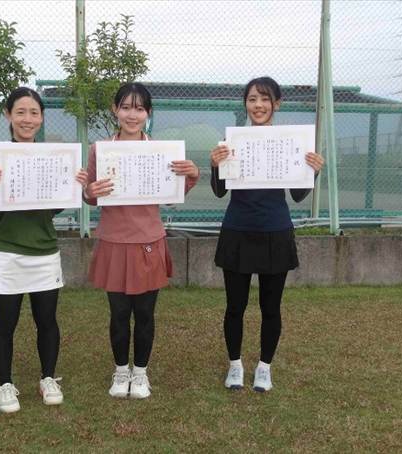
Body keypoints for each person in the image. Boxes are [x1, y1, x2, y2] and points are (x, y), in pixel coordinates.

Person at [0, 87, 88, 413]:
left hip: (44, 251)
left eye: (34, 113)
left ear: (41, 118)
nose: (27, 119)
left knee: (47, 320)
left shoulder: (53, 157)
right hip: (7, 252)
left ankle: (48, 378)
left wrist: (71, 187)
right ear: (8, 115)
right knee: (4, 323)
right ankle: (5, 384)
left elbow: (51, 210)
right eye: (20, 112)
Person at [83, 82, 199, 399]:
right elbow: (91, 195)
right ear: (115, 110)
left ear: (148, 113)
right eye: (125, 107)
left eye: (139, 108)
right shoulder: (100, 150)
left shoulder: (160, 152)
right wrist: (88, 192)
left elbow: (171, 196)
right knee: (119, 314)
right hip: (113, 242)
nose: (131, 115)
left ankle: (141, 373)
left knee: (145, 314)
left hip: (149, 241)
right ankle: (121, 371)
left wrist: (191, 175)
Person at [210, 77, 324, 392]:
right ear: (245, 104)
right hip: (238, 230)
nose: (258, 105)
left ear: (277, 103)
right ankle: (235, 365)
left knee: (271, 308)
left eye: (264, 99)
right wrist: (215, 165)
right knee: (235, 306)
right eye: (252, 99)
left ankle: (264, 367)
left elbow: (298, 195)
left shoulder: (290, 141)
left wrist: (313, 170)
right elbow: (219, 191)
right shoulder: (232, 140)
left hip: (275, 230)